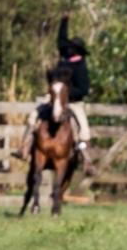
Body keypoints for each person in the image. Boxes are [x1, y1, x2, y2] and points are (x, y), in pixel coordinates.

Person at [13, 13, 93, 170]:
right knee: (34, 115)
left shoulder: (81, 67)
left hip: (73, 101)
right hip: (54, 97)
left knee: (84, 128)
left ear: (77, 51)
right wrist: (64, 21)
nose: (67, 48)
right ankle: (24, 148)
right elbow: (61, 40)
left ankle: (86, 160)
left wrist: (66, 94)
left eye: (71, 47)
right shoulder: (64, 59)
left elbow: (83, 89)